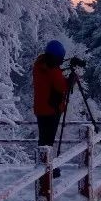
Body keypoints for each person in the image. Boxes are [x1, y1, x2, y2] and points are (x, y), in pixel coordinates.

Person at [33, 40, 69, 176]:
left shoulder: (39, 66)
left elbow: (49, 83)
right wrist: (69, 81)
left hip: (40, 109)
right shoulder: (53, 70)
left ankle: (42, 167)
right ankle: (48, 170)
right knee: (49, 141)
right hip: (52, 109)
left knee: (43, 138)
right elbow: (61, 87)